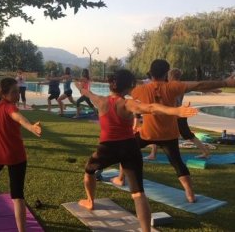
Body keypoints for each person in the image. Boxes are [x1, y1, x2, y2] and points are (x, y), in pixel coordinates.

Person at [75, 69, 199, 232]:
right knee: (138, 193)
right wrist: (176, 111)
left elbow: (87, 92)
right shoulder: (127, 103)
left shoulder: (101, 100)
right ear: (129, 87)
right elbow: (151, 108)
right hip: (130, 147)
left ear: (111, 85)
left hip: (108, 148)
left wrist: (80, 87)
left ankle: (90, 201)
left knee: (89, 170)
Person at [112, 59, 235, 203]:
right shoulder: (172, 87)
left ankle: (120, 179)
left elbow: (124, 89)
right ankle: (190, 195)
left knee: (126, 152)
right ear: (166, 74)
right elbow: (199, 84)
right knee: (177, 163)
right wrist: (225, 82)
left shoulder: (140, 90)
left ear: (150, 73)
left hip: (147, 133)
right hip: (169, 135)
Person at [0, 78, 41, 232]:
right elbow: (18, 117)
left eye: (17, 90)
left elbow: (15, 117)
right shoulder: (9, 108)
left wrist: (29, 126)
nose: (17, 94)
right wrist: (31, 127)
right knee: (17, 195)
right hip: (15, 156)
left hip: (0, 155)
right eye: (14, 92)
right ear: (4, 95)